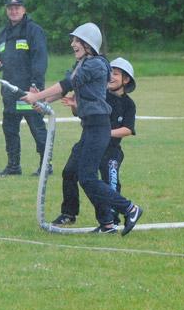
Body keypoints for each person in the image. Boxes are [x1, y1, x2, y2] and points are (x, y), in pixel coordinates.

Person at [21, 23, 143, 235]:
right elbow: (64, 90)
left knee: (87, 178)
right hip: (89, 127)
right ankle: (106, 225)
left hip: (98, 127)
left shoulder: (96, 64)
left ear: (89, 45)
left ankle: (130, 209)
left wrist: (37, 96)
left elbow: (67, 83)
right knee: (72, 171)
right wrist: (42, 102)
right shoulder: (82, 64)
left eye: (77, 41)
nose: (73, 44)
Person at [52, 57, 137, 228]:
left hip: (111, 149)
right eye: (109, 73)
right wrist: (75, 106)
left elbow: (128, 129)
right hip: (88, 141)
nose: (110, 77)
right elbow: (81, 114)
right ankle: (69, 213)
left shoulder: (129, 104)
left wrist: (104, 133)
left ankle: (112, 219)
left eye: (116, 74)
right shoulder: (100, 94)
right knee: (70, 172)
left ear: (126, 79)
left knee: (108, 183)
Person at [0, 0, 50, 177]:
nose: (13, 11)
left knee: (36, 128)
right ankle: (13, 166)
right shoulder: (3, 34)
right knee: (9, 129)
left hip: (28, 92)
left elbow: (40, 59)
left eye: (17, 7)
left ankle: (46, 165)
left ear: (24, 10)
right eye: (10, 8)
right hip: (9, 92)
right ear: (6, 10)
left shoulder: (33, 30)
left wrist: (35, 85)